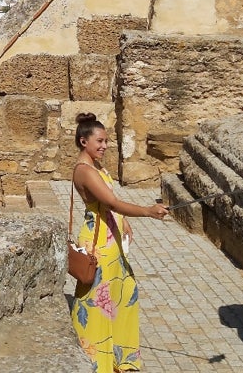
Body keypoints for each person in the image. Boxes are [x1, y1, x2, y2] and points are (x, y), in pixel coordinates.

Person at [70, 112, 170, 373]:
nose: (104, 146)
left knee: (123, 294)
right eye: (99, 141)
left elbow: (111, 202)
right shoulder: (84, 170)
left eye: (106, 141)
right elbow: (111, 202)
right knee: (96, 300)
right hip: (97, 241)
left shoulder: (96, 166)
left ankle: (120, 358)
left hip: (110, 236)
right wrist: (148, 211)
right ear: (84, 142)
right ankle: (94, 360)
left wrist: (123, 219)